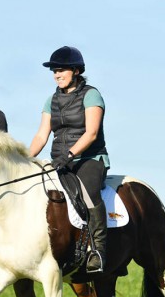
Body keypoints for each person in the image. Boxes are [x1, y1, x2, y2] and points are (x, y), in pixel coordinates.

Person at [29, 46, 110, 272]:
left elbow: (91, 133)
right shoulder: (51, 100)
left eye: (61, 70)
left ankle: (98, 251)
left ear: (75, 70)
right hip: (59, 160)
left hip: (90, 158)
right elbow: (41, 135)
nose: (57, 74)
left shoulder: (91, 95)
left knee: (87, 192)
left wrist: (70, 154)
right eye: (54, 71)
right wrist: (24, 159)